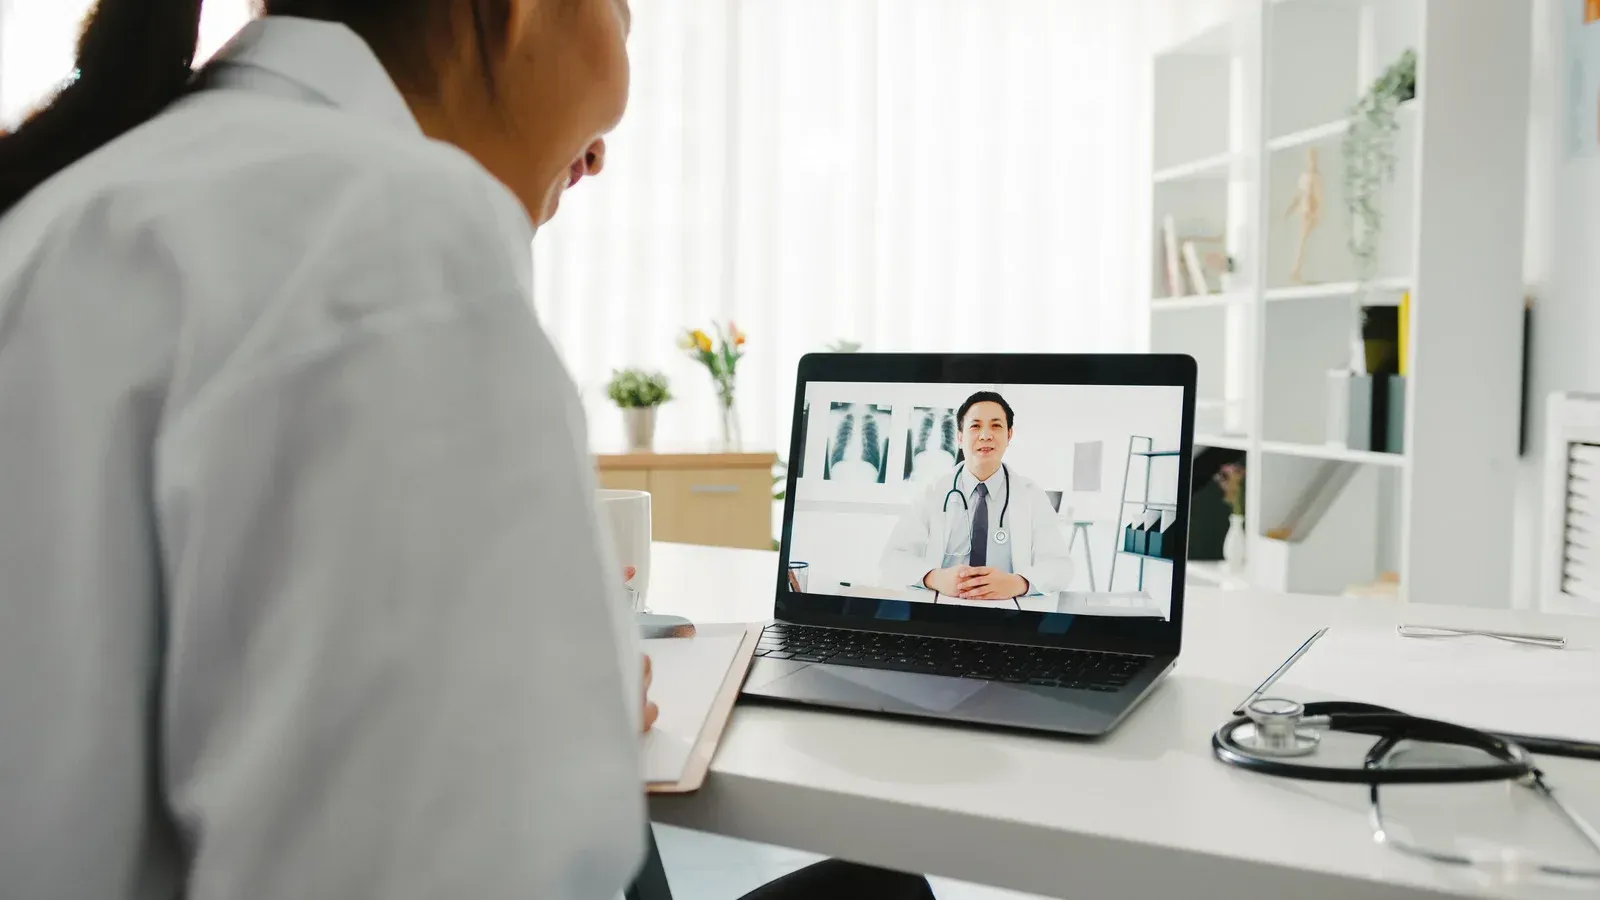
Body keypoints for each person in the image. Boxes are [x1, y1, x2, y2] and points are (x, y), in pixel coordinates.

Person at [0, 2, 932, 898]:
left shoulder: (84, 201)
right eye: (622, 14)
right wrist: (556, 722)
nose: (600, 156)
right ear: (519, 8)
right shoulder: (384, 240)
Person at [881, 392, 1074, 600]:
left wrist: (1019, 583)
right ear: (960, 437)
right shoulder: (933, 491)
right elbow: (893, 558)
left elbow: (1060, 566)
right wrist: (934, 578)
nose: (985, 435)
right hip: (942, 608)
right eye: (975, 426)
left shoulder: (1030, 494)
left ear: (1009, 435)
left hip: (1007, 612)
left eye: (996, 426)